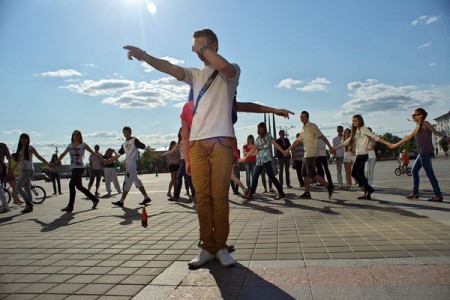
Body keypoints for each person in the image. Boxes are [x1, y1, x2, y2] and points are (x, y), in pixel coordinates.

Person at [390, 108, 450, 202]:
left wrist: (445, 137)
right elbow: (408, 137)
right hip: (421, 153)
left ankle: (438, 195)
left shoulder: (425, 124)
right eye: (412, 115)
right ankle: (415, 193)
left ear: (421, 115)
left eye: (414, 115)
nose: (412, 117)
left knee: (430, 174)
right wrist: (395, 144)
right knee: (414, 171)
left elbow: (435, 132)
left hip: (425, 152)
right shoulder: (417, 126)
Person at [335, 115, 392, 200]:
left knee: (354, 173)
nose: (354, 122)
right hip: (359, 154)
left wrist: (388, 144)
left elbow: (375, 137)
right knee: (361, 174)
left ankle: (369, 188)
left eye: (356, 120)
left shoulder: (364, 129)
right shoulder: (356, 131)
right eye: (353, 120)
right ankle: (367, 194)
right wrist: (335, 148)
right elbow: (347, 141)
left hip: (363, 155)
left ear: (360, 121)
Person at [285, 111, 335, 199]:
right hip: (306, 154)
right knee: (304, 173)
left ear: (308, 117)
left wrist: (330, 147)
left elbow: (322, 136)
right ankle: (307, 192)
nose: (302, 118)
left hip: (311, 153)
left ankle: (329, 186)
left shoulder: (312, 126)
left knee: (312, 174)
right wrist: (288, 149)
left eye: (304, 117)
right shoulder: (303, 128)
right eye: (301, 117)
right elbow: (297, 141)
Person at [57, 130, 100, 212]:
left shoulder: (83, 145)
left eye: (77, 135)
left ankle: (70, 206)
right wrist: (56, 161)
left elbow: (93, 153)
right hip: (73, 168)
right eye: (74, 135)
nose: (76, 136)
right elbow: (63, 154)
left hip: (80, 167)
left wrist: (102, 159)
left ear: (80, 136)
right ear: (72, 136)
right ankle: (94, 199)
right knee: (79, 186)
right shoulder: (70, 145)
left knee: (71, 184)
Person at [111, 127, 155, 207]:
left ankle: (122, 201)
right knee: (132, 182)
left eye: (128, 132)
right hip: (127, 164)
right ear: (123, 134)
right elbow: (118, 154)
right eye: (125, 133)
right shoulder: (124, 144)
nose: (126, 134)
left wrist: (152, 153)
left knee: (131, 181)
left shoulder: (134, 140)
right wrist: (109, 160)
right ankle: (145, 197)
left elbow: (144, 147)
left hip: (132, 163)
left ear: (130, 132)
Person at [241, 122, 286, 200]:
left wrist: (283, 151)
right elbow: (253, 149)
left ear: (264, 128)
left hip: (266, 159)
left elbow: (275, 144)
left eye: (262, 127)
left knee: (271, 176)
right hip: (259, 160)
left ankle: (281, 193)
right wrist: (245, 158)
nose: (260, 129)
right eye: (259, 127)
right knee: (255, 177)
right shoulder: (258, 138)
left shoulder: (268, 135)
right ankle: (251, 194)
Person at [15, 133, 52, 213]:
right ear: (20, 140)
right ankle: (29, 206)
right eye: (22, 138)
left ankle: (28, 204)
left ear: (28, 139)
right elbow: (17, 162)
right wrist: (12, 170)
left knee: (18, 187)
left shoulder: (30, 148)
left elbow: (39, 157)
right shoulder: (20, 149)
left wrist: (48, 164)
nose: (24, 140)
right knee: (27, 188)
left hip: (28, 170)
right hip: (22, 171)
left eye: (25, 138)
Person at [0, 143, 12, 213]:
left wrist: (9, 168)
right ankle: (5, 205)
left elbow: (9, 157)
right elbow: (9, 157)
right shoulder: (2, 145)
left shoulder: (2, 145)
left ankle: (5, 205)